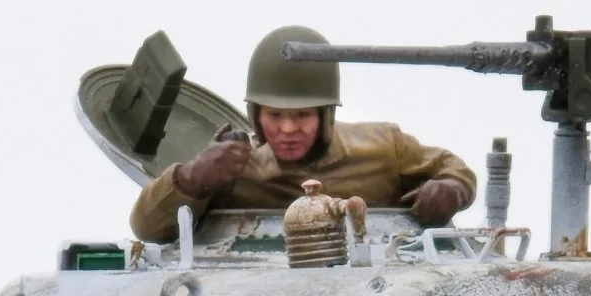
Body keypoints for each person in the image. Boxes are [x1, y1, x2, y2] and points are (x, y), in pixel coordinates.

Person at [130, 25, 477, 243]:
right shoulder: (231, 172)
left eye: (302, 115)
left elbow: (454, 168)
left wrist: (451, 189)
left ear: (326, 114)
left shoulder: (384, 147)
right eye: (275, 115)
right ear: (255, 114)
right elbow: (146, 228)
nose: (288, 129)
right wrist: (191, 179)